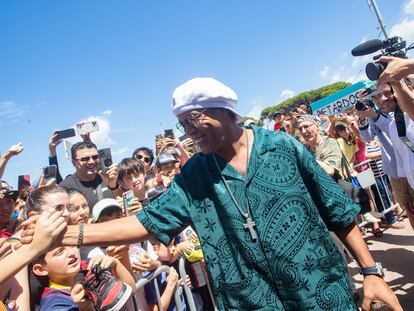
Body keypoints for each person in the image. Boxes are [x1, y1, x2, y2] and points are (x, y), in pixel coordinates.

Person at [24, 77, 401, 310]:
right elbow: (145, 222)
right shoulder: (193, 174)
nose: (189, 131)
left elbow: (337, 211)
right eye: (183, 123)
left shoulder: (283, 147)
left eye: (195, 119)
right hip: (250, 303)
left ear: (224, 112)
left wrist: (371, 272)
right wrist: (68, 234)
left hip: (324, 296)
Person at [59, 141, 118, 210]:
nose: (91, 161)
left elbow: (122, 199)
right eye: (85, 159)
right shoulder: (65, 187)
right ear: (74, 162)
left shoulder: (109, 177)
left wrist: (113, 186)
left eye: (95, 157)